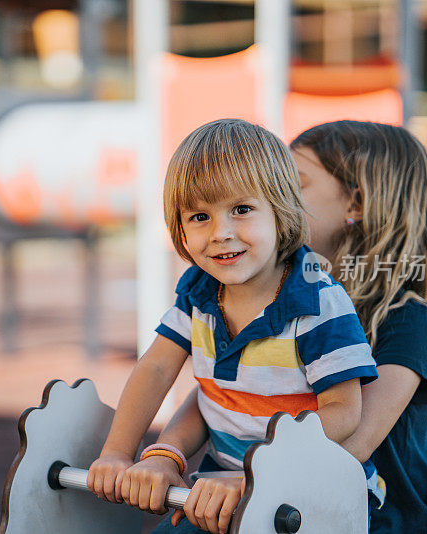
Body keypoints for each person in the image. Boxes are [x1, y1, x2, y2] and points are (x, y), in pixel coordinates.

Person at [139, 120, 427, 533]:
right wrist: (168, 452)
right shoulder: (269, 296)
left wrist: (257, 481)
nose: (274, 190)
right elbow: (218, 396)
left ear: (355, 206)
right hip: (285, 502)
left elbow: (354, 442)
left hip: (366, 516)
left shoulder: (406, 323)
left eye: (293, 181)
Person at [86, 118, 380, 534]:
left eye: (241, 210)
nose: (221, 233)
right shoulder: (200, 292)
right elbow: (156, 369)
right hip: (223, 488)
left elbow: (343, 412)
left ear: (280, 211)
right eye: (200, 216)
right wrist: (119, 452)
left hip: (314, 496)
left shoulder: (315, 303)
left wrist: (261, 475)